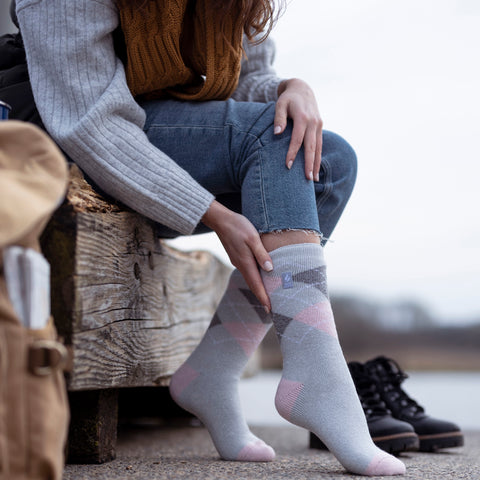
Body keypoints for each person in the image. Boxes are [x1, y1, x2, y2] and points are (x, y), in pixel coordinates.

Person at [15, 0, 406, 475]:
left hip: (156, 132)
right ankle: (317, 378)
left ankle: (214, 372)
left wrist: (290, 88)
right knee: (276, 140)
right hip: (60, 142)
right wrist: (211, 212)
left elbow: (246, 84)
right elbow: (87, 119)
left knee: (329, 162)